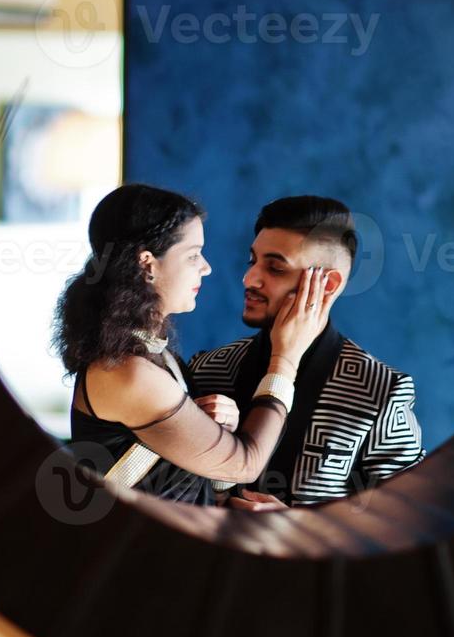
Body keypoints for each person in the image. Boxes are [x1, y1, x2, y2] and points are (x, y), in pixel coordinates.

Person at [53, 184, 335, 505]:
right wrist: (286, 357)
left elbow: (182, 483)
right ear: (148, 265)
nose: (206, 267)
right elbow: (244, 465)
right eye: (193, 255)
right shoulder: (126, 372)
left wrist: (225, 485)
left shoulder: (157, 355)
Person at [188, 196, 423, 510]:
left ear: (328, 284)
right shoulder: (207, 369)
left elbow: (411, 522)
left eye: (274, 268)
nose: (249, 279)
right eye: (252, 261)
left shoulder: (381, 393)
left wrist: (298, 529)